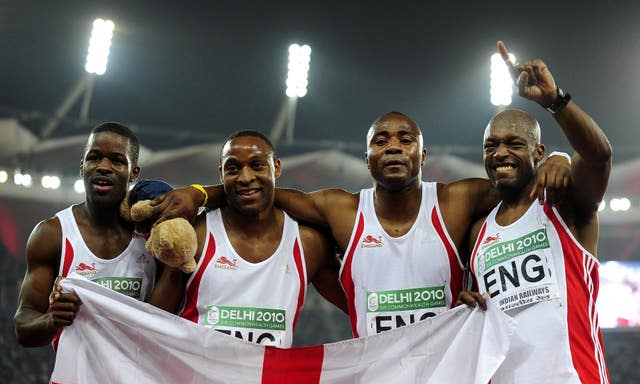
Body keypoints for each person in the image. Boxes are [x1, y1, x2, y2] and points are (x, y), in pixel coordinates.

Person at [150, 86, 569, 340]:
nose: (392, 146)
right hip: (376, 379)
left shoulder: (457, 200)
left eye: (405, 139)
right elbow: (262, 191)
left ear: (423, 154)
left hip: (447, 377)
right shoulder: (341, 209)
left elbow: (518, 177)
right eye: (381, 140)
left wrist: (559, 159)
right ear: (366, 157)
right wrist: (203, 192)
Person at [467, 41, 614, 384]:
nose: (500, 153)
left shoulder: (565, 203)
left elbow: (598, 157)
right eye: (490, 146)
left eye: (514, 143)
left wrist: (556, 102)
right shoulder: (480, 234)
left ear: (539, 151)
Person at [149, 130, 347, 348]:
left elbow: (358, 307)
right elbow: (154, 319)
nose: (245, 177)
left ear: (277, 168)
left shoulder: (309, 243)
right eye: (233, 168)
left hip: (268, 380)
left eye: (257, 165)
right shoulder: (197, 233)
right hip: (198, 378)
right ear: (221, 174)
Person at [14, 122, 178, 347]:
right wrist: (51, 320)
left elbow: (166, 320)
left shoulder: (154, 233)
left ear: (134, 173)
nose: (104, 167)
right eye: (94, 158)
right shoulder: (52, 234)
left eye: (117, 160)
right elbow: (24, 327)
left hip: (137, 377)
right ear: (82, 166)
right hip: (76, 381)